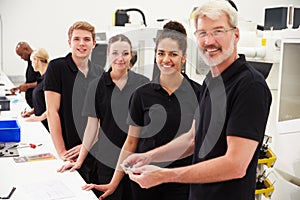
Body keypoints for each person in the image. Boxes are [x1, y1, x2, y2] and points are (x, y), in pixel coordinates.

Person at [122, 1, 272, 200]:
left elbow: (236, 165)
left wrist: (164, 175)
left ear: (235, 35)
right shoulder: (211, 81)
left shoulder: (249, 86)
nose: (208, 41)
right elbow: (193, 138)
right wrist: (149, 157)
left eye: (217, 31)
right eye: (202, 33)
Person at [81, 21, 201, 200]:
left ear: (183, 57)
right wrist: (114, 183)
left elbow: (195, 141)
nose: (166, 59)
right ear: (155, 55)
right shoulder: (142, 94)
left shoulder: (198, 94)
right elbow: (131, 142)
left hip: (181, 182)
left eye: (173, 54)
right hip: (144, 182)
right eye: (161, 53)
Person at [57, 33, 150, 200]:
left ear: (131, 55)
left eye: (125, 53)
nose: (120, 58)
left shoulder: (144, 84)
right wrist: (79, 161)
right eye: (115, 53)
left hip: (137, 160)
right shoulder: (97, 85)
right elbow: (92, 127)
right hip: (107, 159)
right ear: (108, 54)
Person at [44, 21, 104, 183]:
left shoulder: (99, 73)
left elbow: (102, 116)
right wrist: (62, 152)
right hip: (69, 150)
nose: (82, 44)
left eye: (86, 39)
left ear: (94, 43)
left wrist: (87, 145)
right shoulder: (57, 68)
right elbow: (52, 111)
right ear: (69, 42)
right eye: (77, 39)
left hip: (96, 149)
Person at [21, 48, 50, 131]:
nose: (32, 65)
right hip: (42, 122)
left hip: (48, 125)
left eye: (32, 62)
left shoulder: (49, 79)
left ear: (36, 60)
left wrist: (39, 118)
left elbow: (53, 107)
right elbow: (43, 102)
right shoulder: (41, 78)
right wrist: (31, 112)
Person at [11, 41, 40, 108]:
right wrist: (20, 87)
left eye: (21, 55)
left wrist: (27, 86)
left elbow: (44, 81)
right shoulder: (30, 62)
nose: (21, 58)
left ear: (26, 49)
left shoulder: (37, 60)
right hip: (33, 105)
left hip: (38, 103)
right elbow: (32, 79)